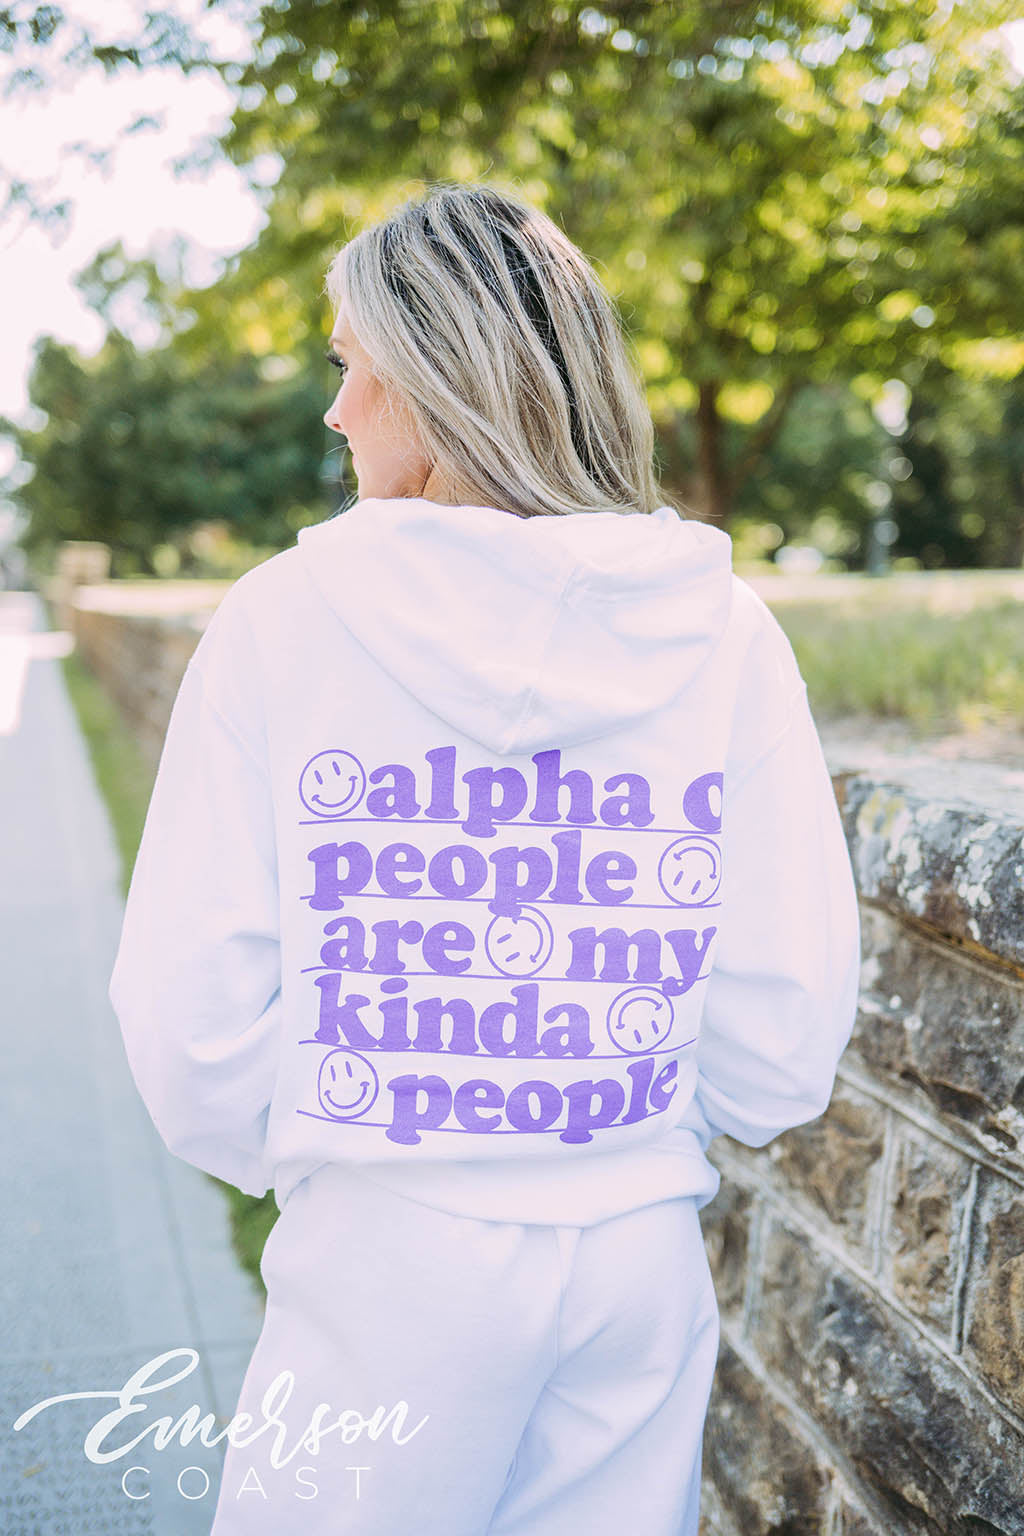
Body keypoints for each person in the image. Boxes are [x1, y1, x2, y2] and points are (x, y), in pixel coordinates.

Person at [107, 180, 861, 1536]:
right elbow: (779, 1026)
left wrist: (325, 1144)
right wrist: (630, 1130)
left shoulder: (285, 619)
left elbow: (189, 1010)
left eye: (352, 368)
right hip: (634, 1256)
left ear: (436, 381)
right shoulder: (724, 631)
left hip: (386, 1244)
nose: (337, 412)